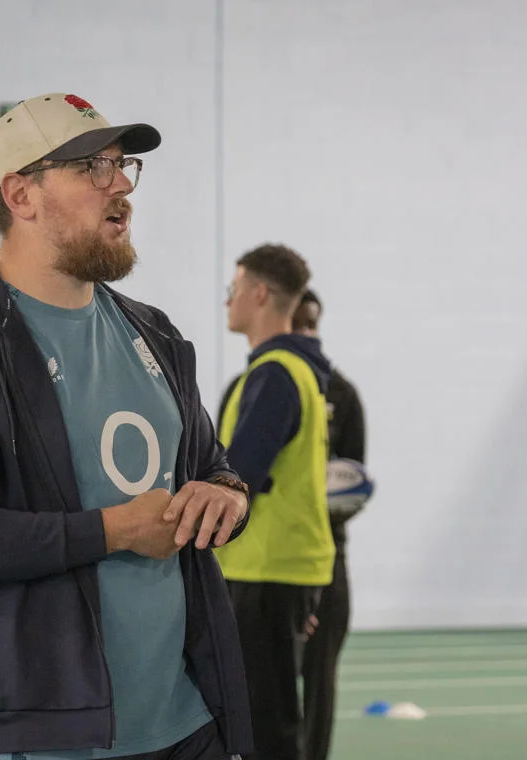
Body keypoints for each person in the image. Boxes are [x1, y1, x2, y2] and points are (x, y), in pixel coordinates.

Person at [0, 92, 253, 760]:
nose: (120, 186)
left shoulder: (154, 334)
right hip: (37, 732)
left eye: (122, 166)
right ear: (20, 194)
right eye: (91, 168)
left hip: (183, 720)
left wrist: (227, 492)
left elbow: (210, 466)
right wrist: (114, 531)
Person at [213, 245, 334, 760]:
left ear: (258, 294)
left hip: (265, 572)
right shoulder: (296, 370)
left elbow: (238, 478)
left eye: (233, 290)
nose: (228, 302)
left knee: (266, 730)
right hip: (283, 570)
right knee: (274, 720)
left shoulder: (276, 374)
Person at [292, 290, 365, 760]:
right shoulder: (253, 386)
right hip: (271, 567)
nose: (305, 333)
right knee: (265, 686)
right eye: (297, 322)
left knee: (321, 682)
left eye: (310, 323)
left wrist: (326, 502)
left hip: (327, 559)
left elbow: (354, 483)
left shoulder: (342, 394)